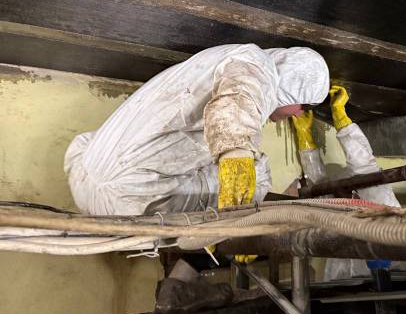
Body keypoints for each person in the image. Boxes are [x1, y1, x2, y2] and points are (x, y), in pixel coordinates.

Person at [64, 44, 330, 219]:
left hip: (82, 168)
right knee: (258, 174)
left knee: (236, 162)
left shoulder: (219, 59)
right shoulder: (256, 65)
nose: (299, 114)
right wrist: (238, 157)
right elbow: (239, 97)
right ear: (292, 84)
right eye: (304, 106)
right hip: (127, 200)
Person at [291, 85, 401, 280]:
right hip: (339, 285)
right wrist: (305, 137)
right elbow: (318, 183)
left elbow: (363, 165)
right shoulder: (339, 206)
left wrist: (341, 117)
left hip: (372, 283)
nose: (341, 194)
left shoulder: (380, 203)